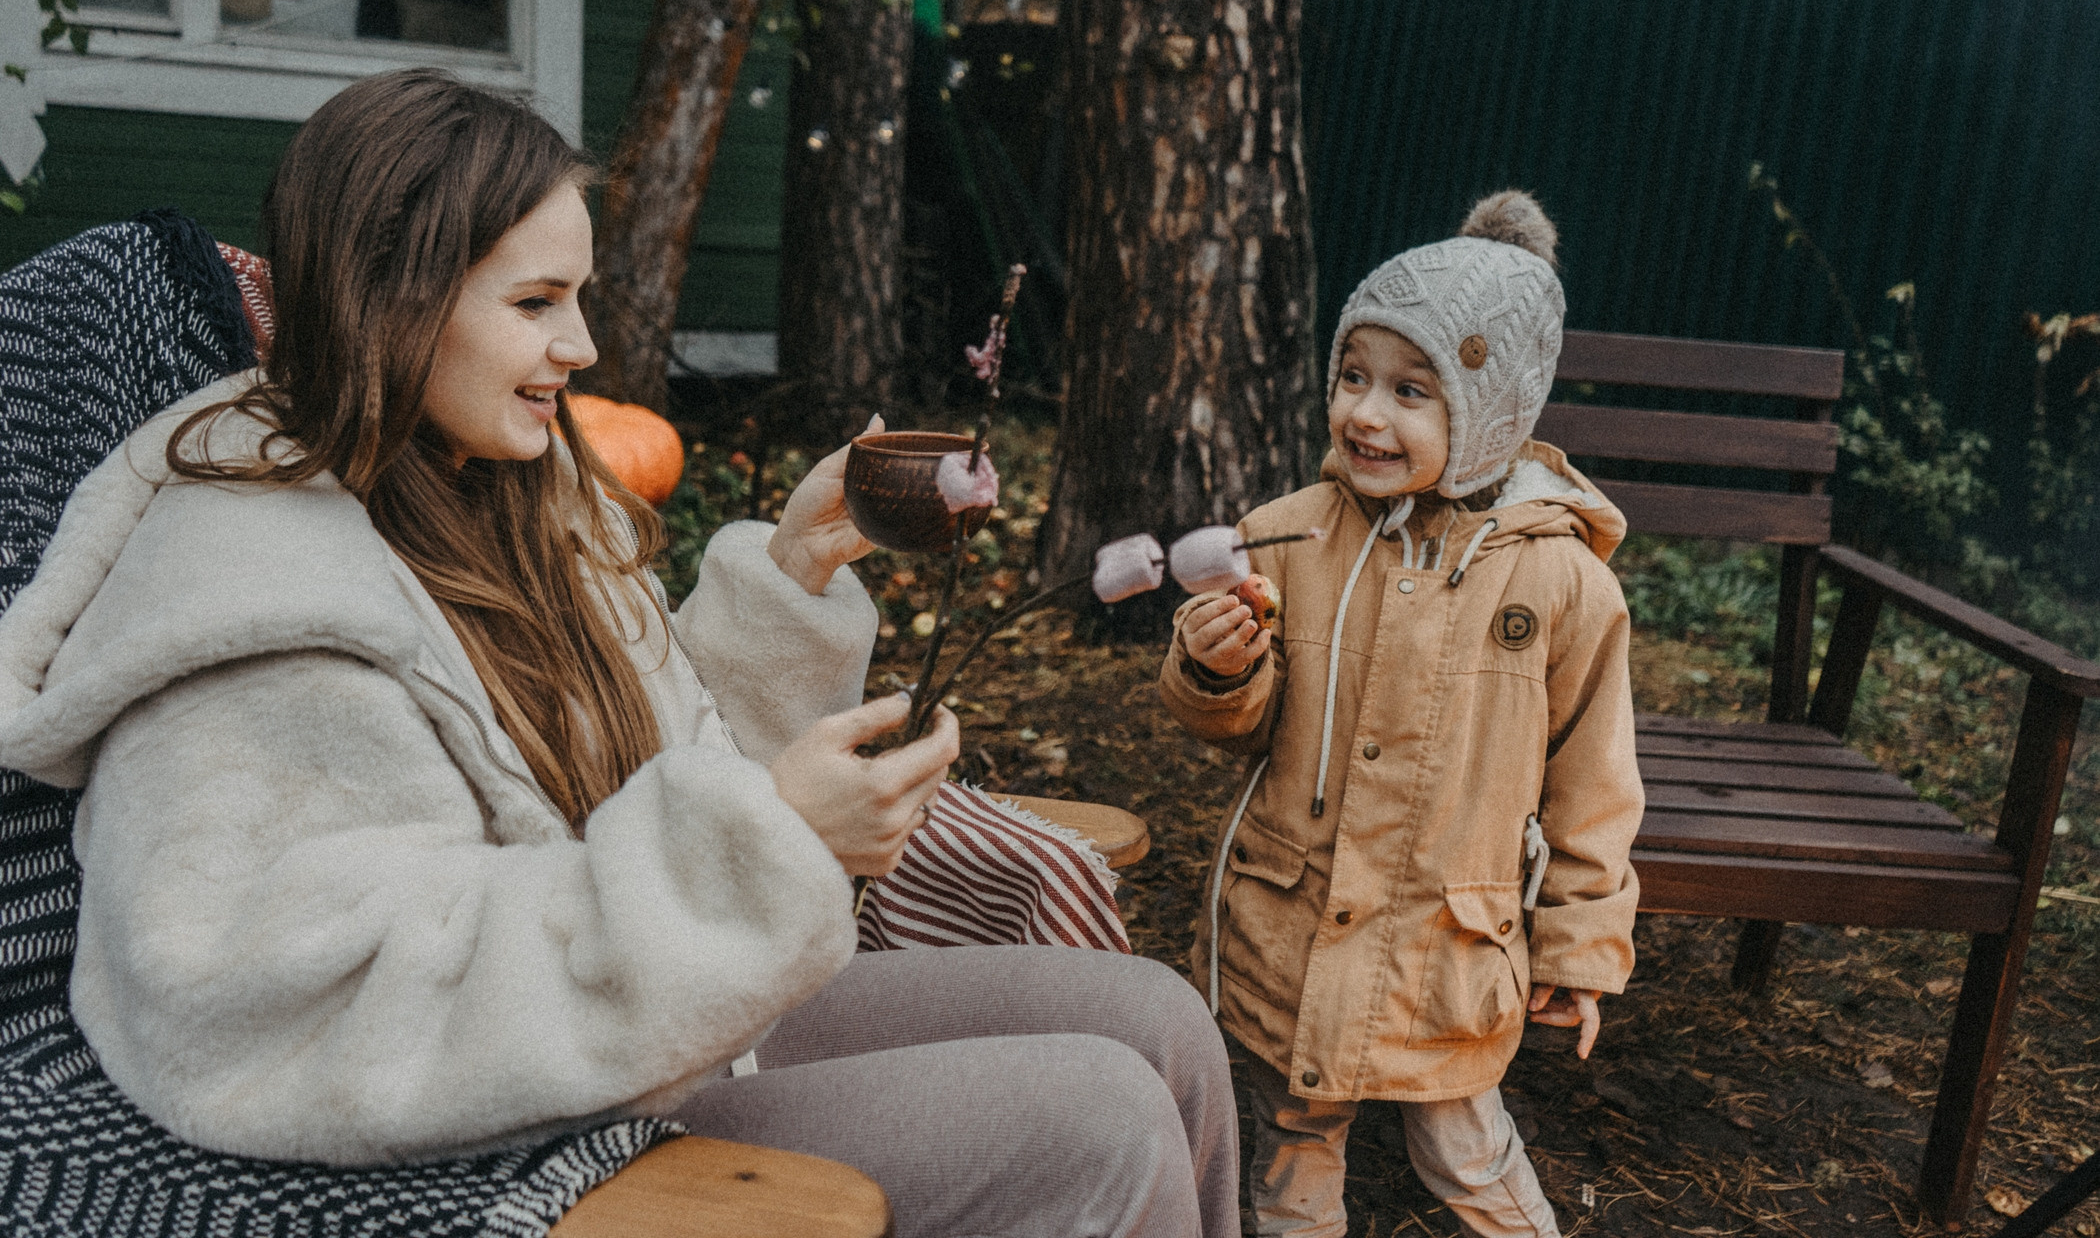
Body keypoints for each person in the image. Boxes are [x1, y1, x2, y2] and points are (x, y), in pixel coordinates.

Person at [0, 69, 1236, 1238]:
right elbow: (305, 1005)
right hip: (525, 1118)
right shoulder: (252, 590)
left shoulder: (510, 493)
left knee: (1160, 1022)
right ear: (388, 299)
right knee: (1099, 1119)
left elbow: (647, 780)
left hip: (650, 1014)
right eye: (536, 303)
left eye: (579, 297)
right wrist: (762, 846)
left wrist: (791, 581)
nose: (582, 345)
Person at [1157, 192, 1644, 1238]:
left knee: (1462, 1141)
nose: (1367, 415)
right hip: (1296, 916)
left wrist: (1579, 946)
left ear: (1494, 408)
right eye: (1354, 376)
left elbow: (1593, 782)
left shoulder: (1563, 583)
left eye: (1412, 390)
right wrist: (1217, 670)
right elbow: (1243, 727)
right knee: (1292, 1134)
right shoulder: (1289, 537)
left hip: (1446, 945)